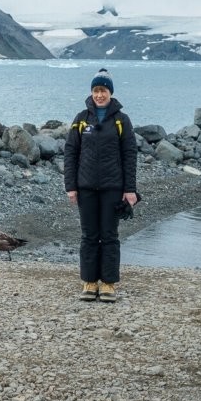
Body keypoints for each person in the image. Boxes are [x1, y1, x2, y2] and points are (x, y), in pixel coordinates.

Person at [64, 68, 137, 303]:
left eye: (103, 90)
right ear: (91, 92)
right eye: (96, 90)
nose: (99, 95)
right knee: (88, 236)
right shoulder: (81, 119)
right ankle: (89, 282)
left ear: (110, 93)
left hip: (112, 188)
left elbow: (129, 154)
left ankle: (107, 284)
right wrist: (71, 186)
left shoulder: (120, 120)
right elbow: (70, 152)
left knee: (109, 236)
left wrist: (130, 189)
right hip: (85, 188)